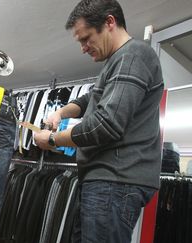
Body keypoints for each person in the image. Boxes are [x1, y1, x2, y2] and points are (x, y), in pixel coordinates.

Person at [33, 0, 164, 242]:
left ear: (110, 22)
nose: (83, 47)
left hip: (115, 179)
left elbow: (107, 124)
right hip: (106, 179)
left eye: (86, 38)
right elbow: (88, 99)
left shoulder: (133, 55)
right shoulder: (116, 62)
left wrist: (52, 138)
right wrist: (59, 113)